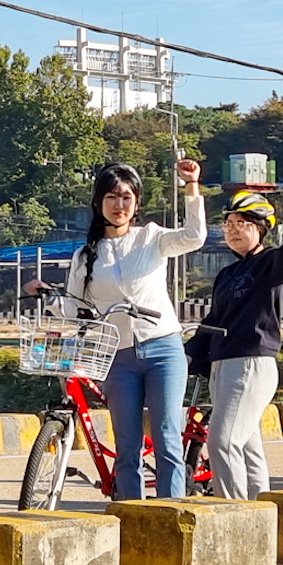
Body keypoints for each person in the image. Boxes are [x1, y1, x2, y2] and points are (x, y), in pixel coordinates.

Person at [61, 158, 207, 500]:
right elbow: (74, 308)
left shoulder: (152, 238)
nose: (119, 205)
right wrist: (51, 301)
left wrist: (191, 186)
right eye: (112, 197)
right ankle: (130, 518)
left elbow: (195, 236)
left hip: (163, 349)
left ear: (136, 202)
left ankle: (172, 515)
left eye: (127, 197)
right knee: (126, 447)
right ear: (99, 202)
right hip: (118, 356)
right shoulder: (85, 256)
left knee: (167, 437)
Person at [201, 189, 283, 499]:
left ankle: (235, 518)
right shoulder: (228, 274)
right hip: (223, 365)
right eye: (228, 223)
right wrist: (186, 355)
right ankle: (262, 512)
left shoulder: (271, 263)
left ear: (260, 227)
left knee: (222, 441)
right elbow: (213, 322)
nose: (232, 229)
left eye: (241, 223)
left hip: (250, 363)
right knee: (246, 447)